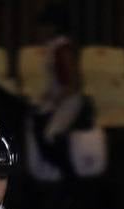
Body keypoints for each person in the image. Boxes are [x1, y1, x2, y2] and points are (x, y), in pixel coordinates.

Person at [32, 1, 93, 176]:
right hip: (57, 98)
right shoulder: (53, 47)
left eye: (44, 26)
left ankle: (67, 174)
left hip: (70, 100)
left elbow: (73, 83)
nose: (41, 30)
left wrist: (56, 99)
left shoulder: (63, 48)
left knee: (51, 135)